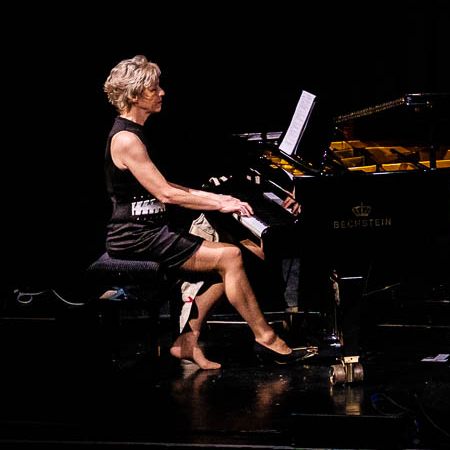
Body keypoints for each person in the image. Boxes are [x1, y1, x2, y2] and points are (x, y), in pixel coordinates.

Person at [103, 55, 314, 368]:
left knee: (239, 255)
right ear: (134, 95)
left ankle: (186, 342)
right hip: (136, 236)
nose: (162, 92)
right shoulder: (126, 139)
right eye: (153, 88)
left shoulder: (135, 133)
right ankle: (267, 340)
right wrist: (220, 203)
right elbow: (166, 194)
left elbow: (167, 185)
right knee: (230, 256)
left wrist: (218, 197)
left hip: (151, 231)